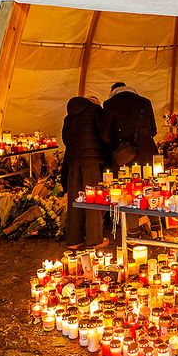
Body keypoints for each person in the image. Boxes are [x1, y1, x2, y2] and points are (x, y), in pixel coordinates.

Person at [61, 95, 110, 249]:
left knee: (75, 200)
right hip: (91, 159)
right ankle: (95, 239)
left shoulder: (69, 117)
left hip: (73, 159)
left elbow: (66, 139)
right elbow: (104, 134)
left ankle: (74, 240)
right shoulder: (95, 110)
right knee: (93, 198)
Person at [103, 82, 157, 168]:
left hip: (123, 154)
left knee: (123, 176)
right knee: (149, 175)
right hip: (146, 151)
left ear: (112, 92)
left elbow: (105, 134)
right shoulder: (146, 102)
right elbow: (153, 131)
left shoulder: (109, 104)